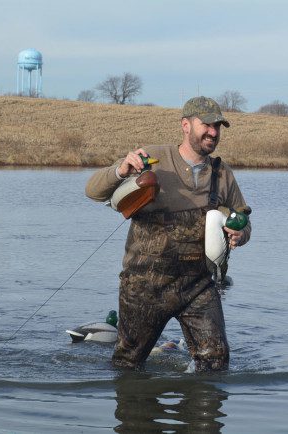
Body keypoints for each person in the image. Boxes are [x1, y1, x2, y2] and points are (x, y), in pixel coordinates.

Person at [85, 96, 251, 371]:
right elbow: (92, 192)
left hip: (198, 285)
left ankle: (200, 413)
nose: (213, 132)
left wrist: (239, 234)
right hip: (144, 286)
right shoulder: (152, 159)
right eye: (207, 125)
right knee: (128, 365)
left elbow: (243, 220)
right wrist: (121, 170)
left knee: (216, 363)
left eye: (218, 126)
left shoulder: (222, 175)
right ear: (185, 125)